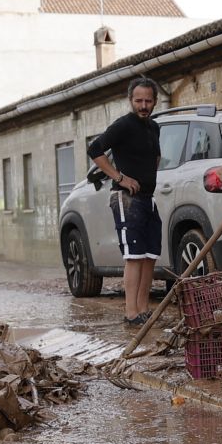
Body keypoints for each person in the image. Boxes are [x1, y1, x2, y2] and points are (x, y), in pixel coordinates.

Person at [86, 77, 164, 325]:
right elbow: (94, 149)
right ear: (130, 100)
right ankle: (130, 313)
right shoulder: (124, 125)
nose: (143, 105)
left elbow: (156, 157)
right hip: (126, 199)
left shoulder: (154, 127)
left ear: (154, 102)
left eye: (148, 101)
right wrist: (120, 177)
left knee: (150, 255)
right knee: (134, 256)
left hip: (148, 198)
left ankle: (142, 309)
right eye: (138, 100)